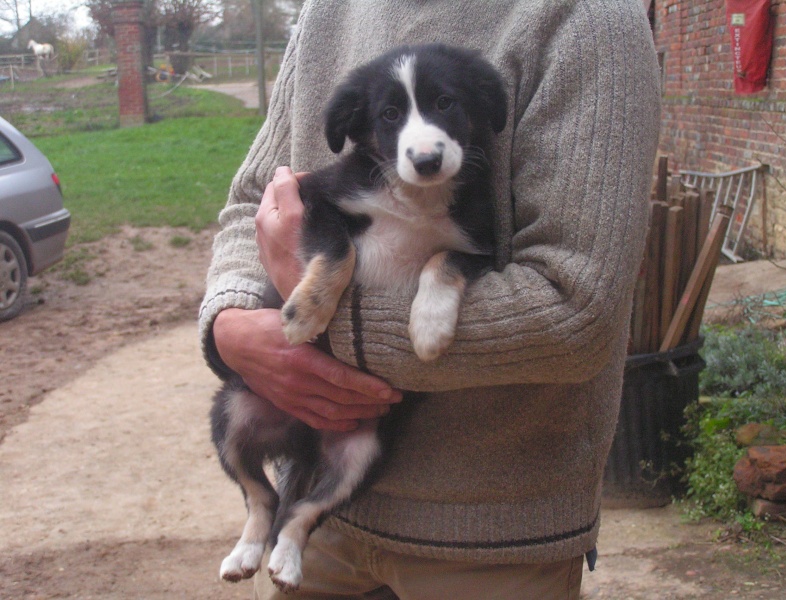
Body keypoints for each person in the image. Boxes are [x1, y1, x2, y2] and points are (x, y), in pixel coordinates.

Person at [199, 1, 661, 598]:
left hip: (488, 542)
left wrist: (335, 326)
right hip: (320, 522)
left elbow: (576, 312)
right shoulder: (326, 11)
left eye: (443, 105)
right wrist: (232, 326)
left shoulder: (589, 20)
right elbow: (256, 199)